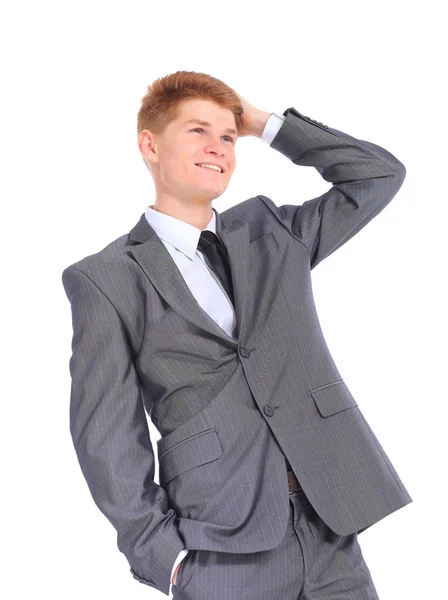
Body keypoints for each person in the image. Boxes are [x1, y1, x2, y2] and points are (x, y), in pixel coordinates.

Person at [61, 70, 412, 599]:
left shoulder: (271, 232)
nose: (218, 148)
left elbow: (377, 176)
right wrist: (165, 558)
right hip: (219, 547)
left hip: (328, 528)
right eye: (198, 131)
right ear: (149, 144)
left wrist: (263, 123)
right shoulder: (106, 278)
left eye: (227, 136)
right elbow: (106, 435)